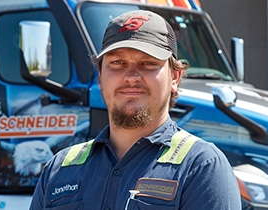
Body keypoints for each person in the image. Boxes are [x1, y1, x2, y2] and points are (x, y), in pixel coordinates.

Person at [29, 10, 242, 209]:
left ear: (175, 78)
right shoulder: (58, 170)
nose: (131, 77)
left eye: (148, 63)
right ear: (100, 78)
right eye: (117, 63)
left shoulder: (202, 167)